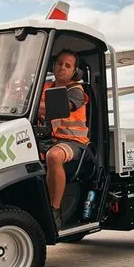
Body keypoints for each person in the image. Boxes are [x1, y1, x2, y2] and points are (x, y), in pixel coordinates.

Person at [36, 49, 89, 229]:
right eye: (59, 63)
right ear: (53, 65)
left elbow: (61, 107)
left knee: (54, 156)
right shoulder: (43, 88)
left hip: (74, 143)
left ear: (75, 71)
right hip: (48, 140)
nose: (62, 68)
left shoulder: (76, 91)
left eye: (68, 65)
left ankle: (55, 211)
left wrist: (33, 106)